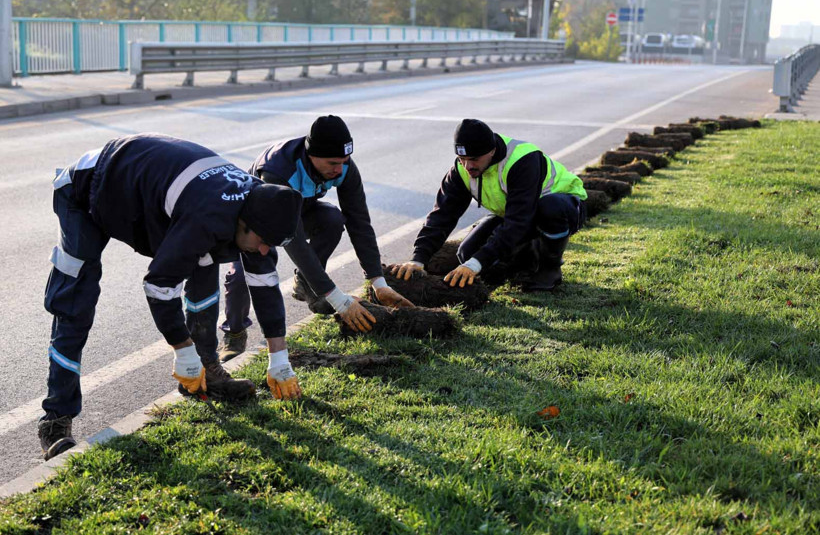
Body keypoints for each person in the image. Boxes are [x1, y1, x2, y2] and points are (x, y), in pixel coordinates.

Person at [39, 134, 304, 461]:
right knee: (75, 303)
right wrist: (182, 350)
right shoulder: (208, 216)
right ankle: (56, 419)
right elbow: (159, 286)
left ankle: (207, 370)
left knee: (205, 260)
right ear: (245, 222)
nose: (265, 250)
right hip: (89, 188)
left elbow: (265, 285)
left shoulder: (264, 209)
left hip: (149, 193)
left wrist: (279, 359)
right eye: (263, 242)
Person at [217, 115, 412, 361]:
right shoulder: (278, 171)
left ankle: (306, 283)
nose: (339, 169)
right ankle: (234, 334)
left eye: (344, 161)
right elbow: (294, 240)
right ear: (312, 156)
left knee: (332, 220)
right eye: (332, 163)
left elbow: (359, 222)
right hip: (255, 220)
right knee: (243, 274)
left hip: (301, 208)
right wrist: (336, 297)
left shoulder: (343, 167)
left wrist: (378, 281)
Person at [391, 119, 587, 291]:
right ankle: (524, 261)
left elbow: (519, 222)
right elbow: (442, 216)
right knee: (467, 253)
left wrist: (476, 264)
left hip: (564, 208)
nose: (468, 166)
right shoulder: (460, 170)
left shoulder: (523, 160)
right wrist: (418, 259)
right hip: (514, 214)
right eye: (462, 159)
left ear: (492, 151)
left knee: (549, 209)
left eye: (474, 159)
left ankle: (549, 268)